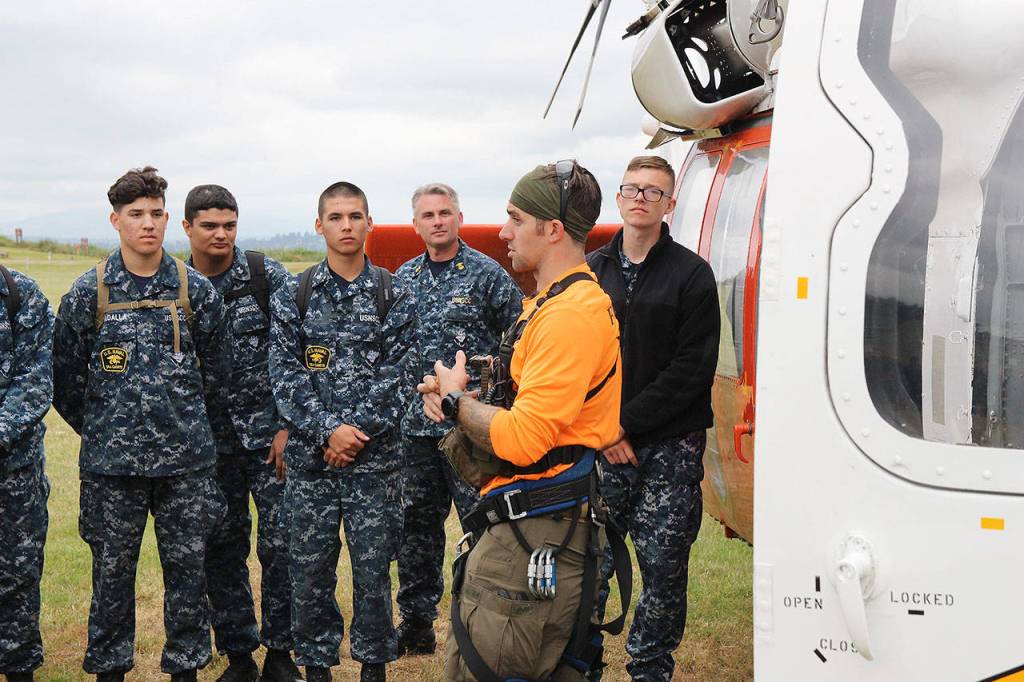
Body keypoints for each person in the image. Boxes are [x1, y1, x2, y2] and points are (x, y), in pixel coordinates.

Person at [420, 160, 631, 681]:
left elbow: (524, 437)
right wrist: (468, 394)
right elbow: (531, 401)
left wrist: (454, 404)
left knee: (489, 666)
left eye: (515, 218)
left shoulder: (568, 316)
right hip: (534, 518)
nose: (503, 231)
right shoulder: (551, 302)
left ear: (552, 229)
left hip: (538, 524)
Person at [53, 166, 231, 682]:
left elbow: (219, 375)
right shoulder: (91, 293)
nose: (147, 223)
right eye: (136, 215)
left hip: (186, 468)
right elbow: (64, 379)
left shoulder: (193, 290)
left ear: (167, 218)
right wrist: (106, 431)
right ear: (116, 220)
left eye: (156, 213)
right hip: (112, 471)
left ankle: (186, 671)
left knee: (187, 576)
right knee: (111, 578)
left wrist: (190, 429)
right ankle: (110, 670)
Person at [269, 181, 416, 682]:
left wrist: (354, 436)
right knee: (310, 574)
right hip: (313, 466)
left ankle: (373, 667)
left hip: (374, 467)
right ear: (319, 225)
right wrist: (328, 431)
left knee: (374, 573)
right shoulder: (297, 293)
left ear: (369, 223)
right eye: (335, 217)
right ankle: (317, 669)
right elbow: (285, 375)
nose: (346, 225)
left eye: (355, 216)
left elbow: (402, 374)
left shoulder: (394, 293)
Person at [586, 155, 720, 682]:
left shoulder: (692, 274)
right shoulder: (591, 272)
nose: (641, 197)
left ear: (670, 204)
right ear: (619, 199)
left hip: (668, 449)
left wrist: (628, 424)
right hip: (599, 447)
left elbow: (692, 367)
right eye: (632, 188)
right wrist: (606, 428)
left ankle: (649, 668)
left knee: (664, 571)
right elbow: (577, 361)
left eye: (654, 191)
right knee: (590, 565)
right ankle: (581, 662)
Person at [392, 182, 522, 655]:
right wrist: (421, 391)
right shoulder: (401, 279)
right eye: (428, 215)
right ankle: (416, 622)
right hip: (417, 430)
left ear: (460, 218)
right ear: (416, 224)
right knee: (416, 530)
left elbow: (515, 349)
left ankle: (477, 619)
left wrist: (472, 397)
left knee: (482, 524)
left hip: (471, 430)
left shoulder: (488, 276)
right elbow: (394, 352)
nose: (438, 221)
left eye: (445, 213)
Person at [181, 185, 300, 682]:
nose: (221, 234)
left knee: (281, 546)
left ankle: (280, 652)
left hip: (269, 440)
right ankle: (238, 655)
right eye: (210, 225)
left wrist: (290, 423)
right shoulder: (175, 285)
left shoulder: (264, 276)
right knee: (221, 548)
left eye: (229, 224)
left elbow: (300, 348)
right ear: (187, 228)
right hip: (207, 445)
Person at [0, 267, 53, 682]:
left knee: (17, 575)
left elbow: (35, 381)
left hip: (13, 470)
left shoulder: (21, 295)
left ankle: (19, 669)